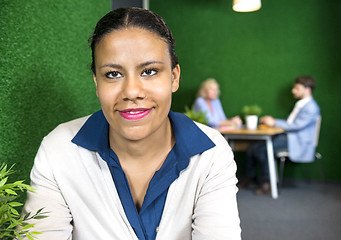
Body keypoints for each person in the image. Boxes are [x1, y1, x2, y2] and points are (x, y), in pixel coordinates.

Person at [21, 7, 241, 240]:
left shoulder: (212, 152)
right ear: (96, 82)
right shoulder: (58, 149)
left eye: (149, 71)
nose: (132, 92)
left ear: (174, 78)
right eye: (113, 74)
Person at [237, 76, 320, 195]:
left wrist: (274, 122)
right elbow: (291, 123)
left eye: (296, 88)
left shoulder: (311, 107)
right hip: (288, 137)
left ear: (307, 89)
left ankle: (267, 183)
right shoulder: (301, 104)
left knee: (261, 149)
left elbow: (296, 125)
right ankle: (250, 178)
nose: (293, 91)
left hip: (296, 141)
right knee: (251, 148)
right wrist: (274, 122)